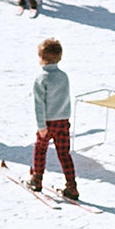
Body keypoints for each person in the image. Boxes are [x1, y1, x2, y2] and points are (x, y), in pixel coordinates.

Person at [31, 37, 77, 199]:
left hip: (48, 122)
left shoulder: (41, 78)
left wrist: (41, 125)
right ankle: (72, 186)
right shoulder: (64, 76)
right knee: (64, 154)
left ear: (42, 58)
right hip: (63, 121)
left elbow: (39, 104)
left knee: (40, 149)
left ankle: (37, 179)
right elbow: (65, 98)